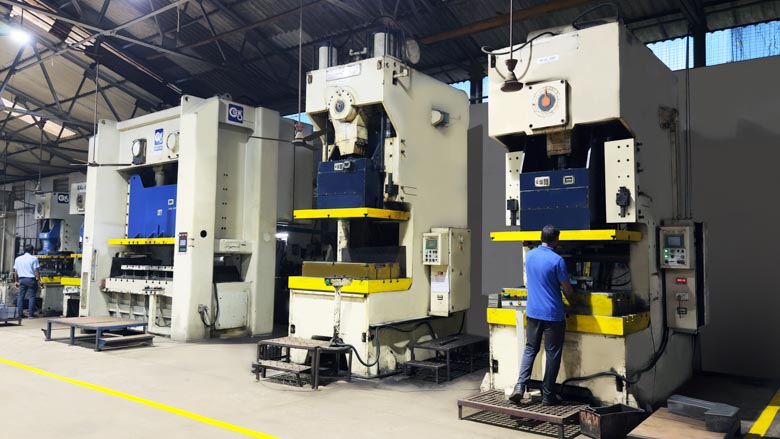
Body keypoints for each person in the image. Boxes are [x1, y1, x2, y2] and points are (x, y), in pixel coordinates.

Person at [508, 224, 574, 406]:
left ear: (541, 238)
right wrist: (574, 299)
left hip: (533, 312)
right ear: (556, 240)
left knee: (530, 349)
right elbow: (567, 289)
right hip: (553, 314)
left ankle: (520, 386)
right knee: (552, 354)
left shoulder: (529, 256)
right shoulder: (557, 260)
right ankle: (548, 395)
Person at [14, 244, 40, 318]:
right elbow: (36, 271)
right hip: (31, 280)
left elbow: (16, 272)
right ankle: (31, 314)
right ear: (32, 251)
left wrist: (16, 281)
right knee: (31, 296)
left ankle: (20, 314)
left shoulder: (18, 259)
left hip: (21, 280)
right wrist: (39, 280)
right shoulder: (34, 258)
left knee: (20, 297)